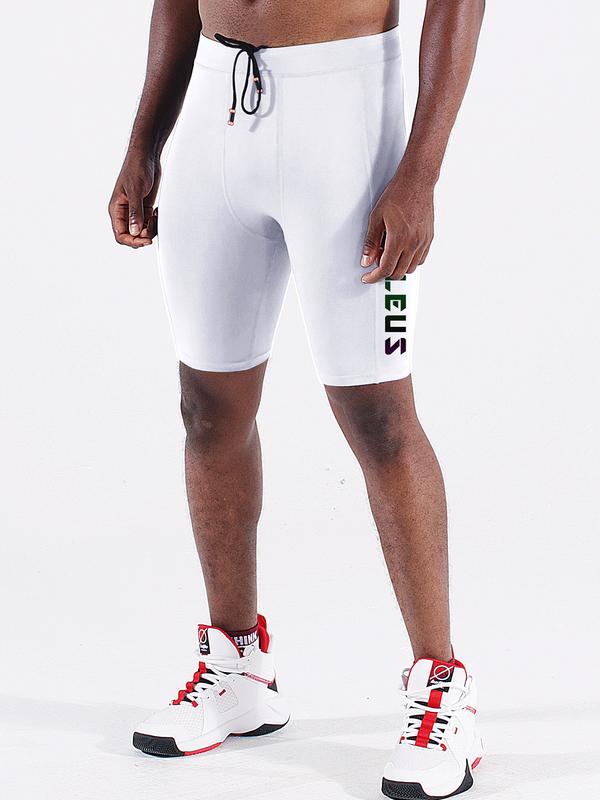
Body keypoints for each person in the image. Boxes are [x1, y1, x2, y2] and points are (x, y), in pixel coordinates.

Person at [108, 1, 485, 796]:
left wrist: (420, 173)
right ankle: (239, 669)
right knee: (208, 407)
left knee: (378, 418)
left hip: (347, 118)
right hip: (215, 109)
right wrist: (143, 143)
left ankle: (444, 691)